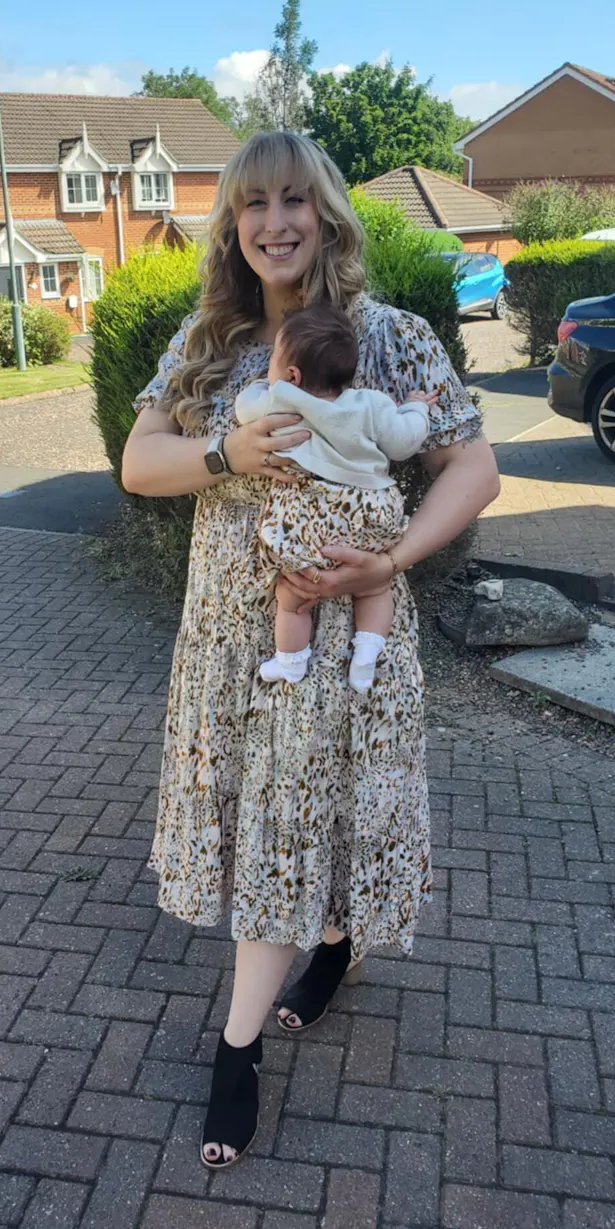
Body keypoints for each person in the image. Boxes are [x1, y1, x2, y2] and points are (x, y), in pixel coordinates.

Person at [121, 131, 499, 1171]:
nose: (275, 222)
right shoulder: (208, 340)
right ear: (233, 226)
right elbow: (138, 465)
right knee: (278, 814)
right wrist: (224, 452)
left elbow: (474, 468)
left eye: (293, 200)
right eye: (254, 204)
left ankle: (235, 1049)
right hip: (229, 634)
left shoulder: (393, 337)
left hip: (344, 631)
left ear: (326, 215)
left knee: (293, 818)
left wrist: (393, 561)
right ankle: (333, 943)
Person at [235, 302, 438, 692]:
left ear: (292, 375)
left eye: (273, 361)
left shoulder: (282, 399)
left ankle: (291, 661)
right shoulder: (371, 403)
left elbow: (245, 410)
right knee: (375, 586)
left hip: (311, 516)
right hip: (371, 511)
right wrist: (416, 407)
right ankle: (366, 657)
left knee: (291, 592)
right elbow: (404, 442)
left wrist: (264, 386)